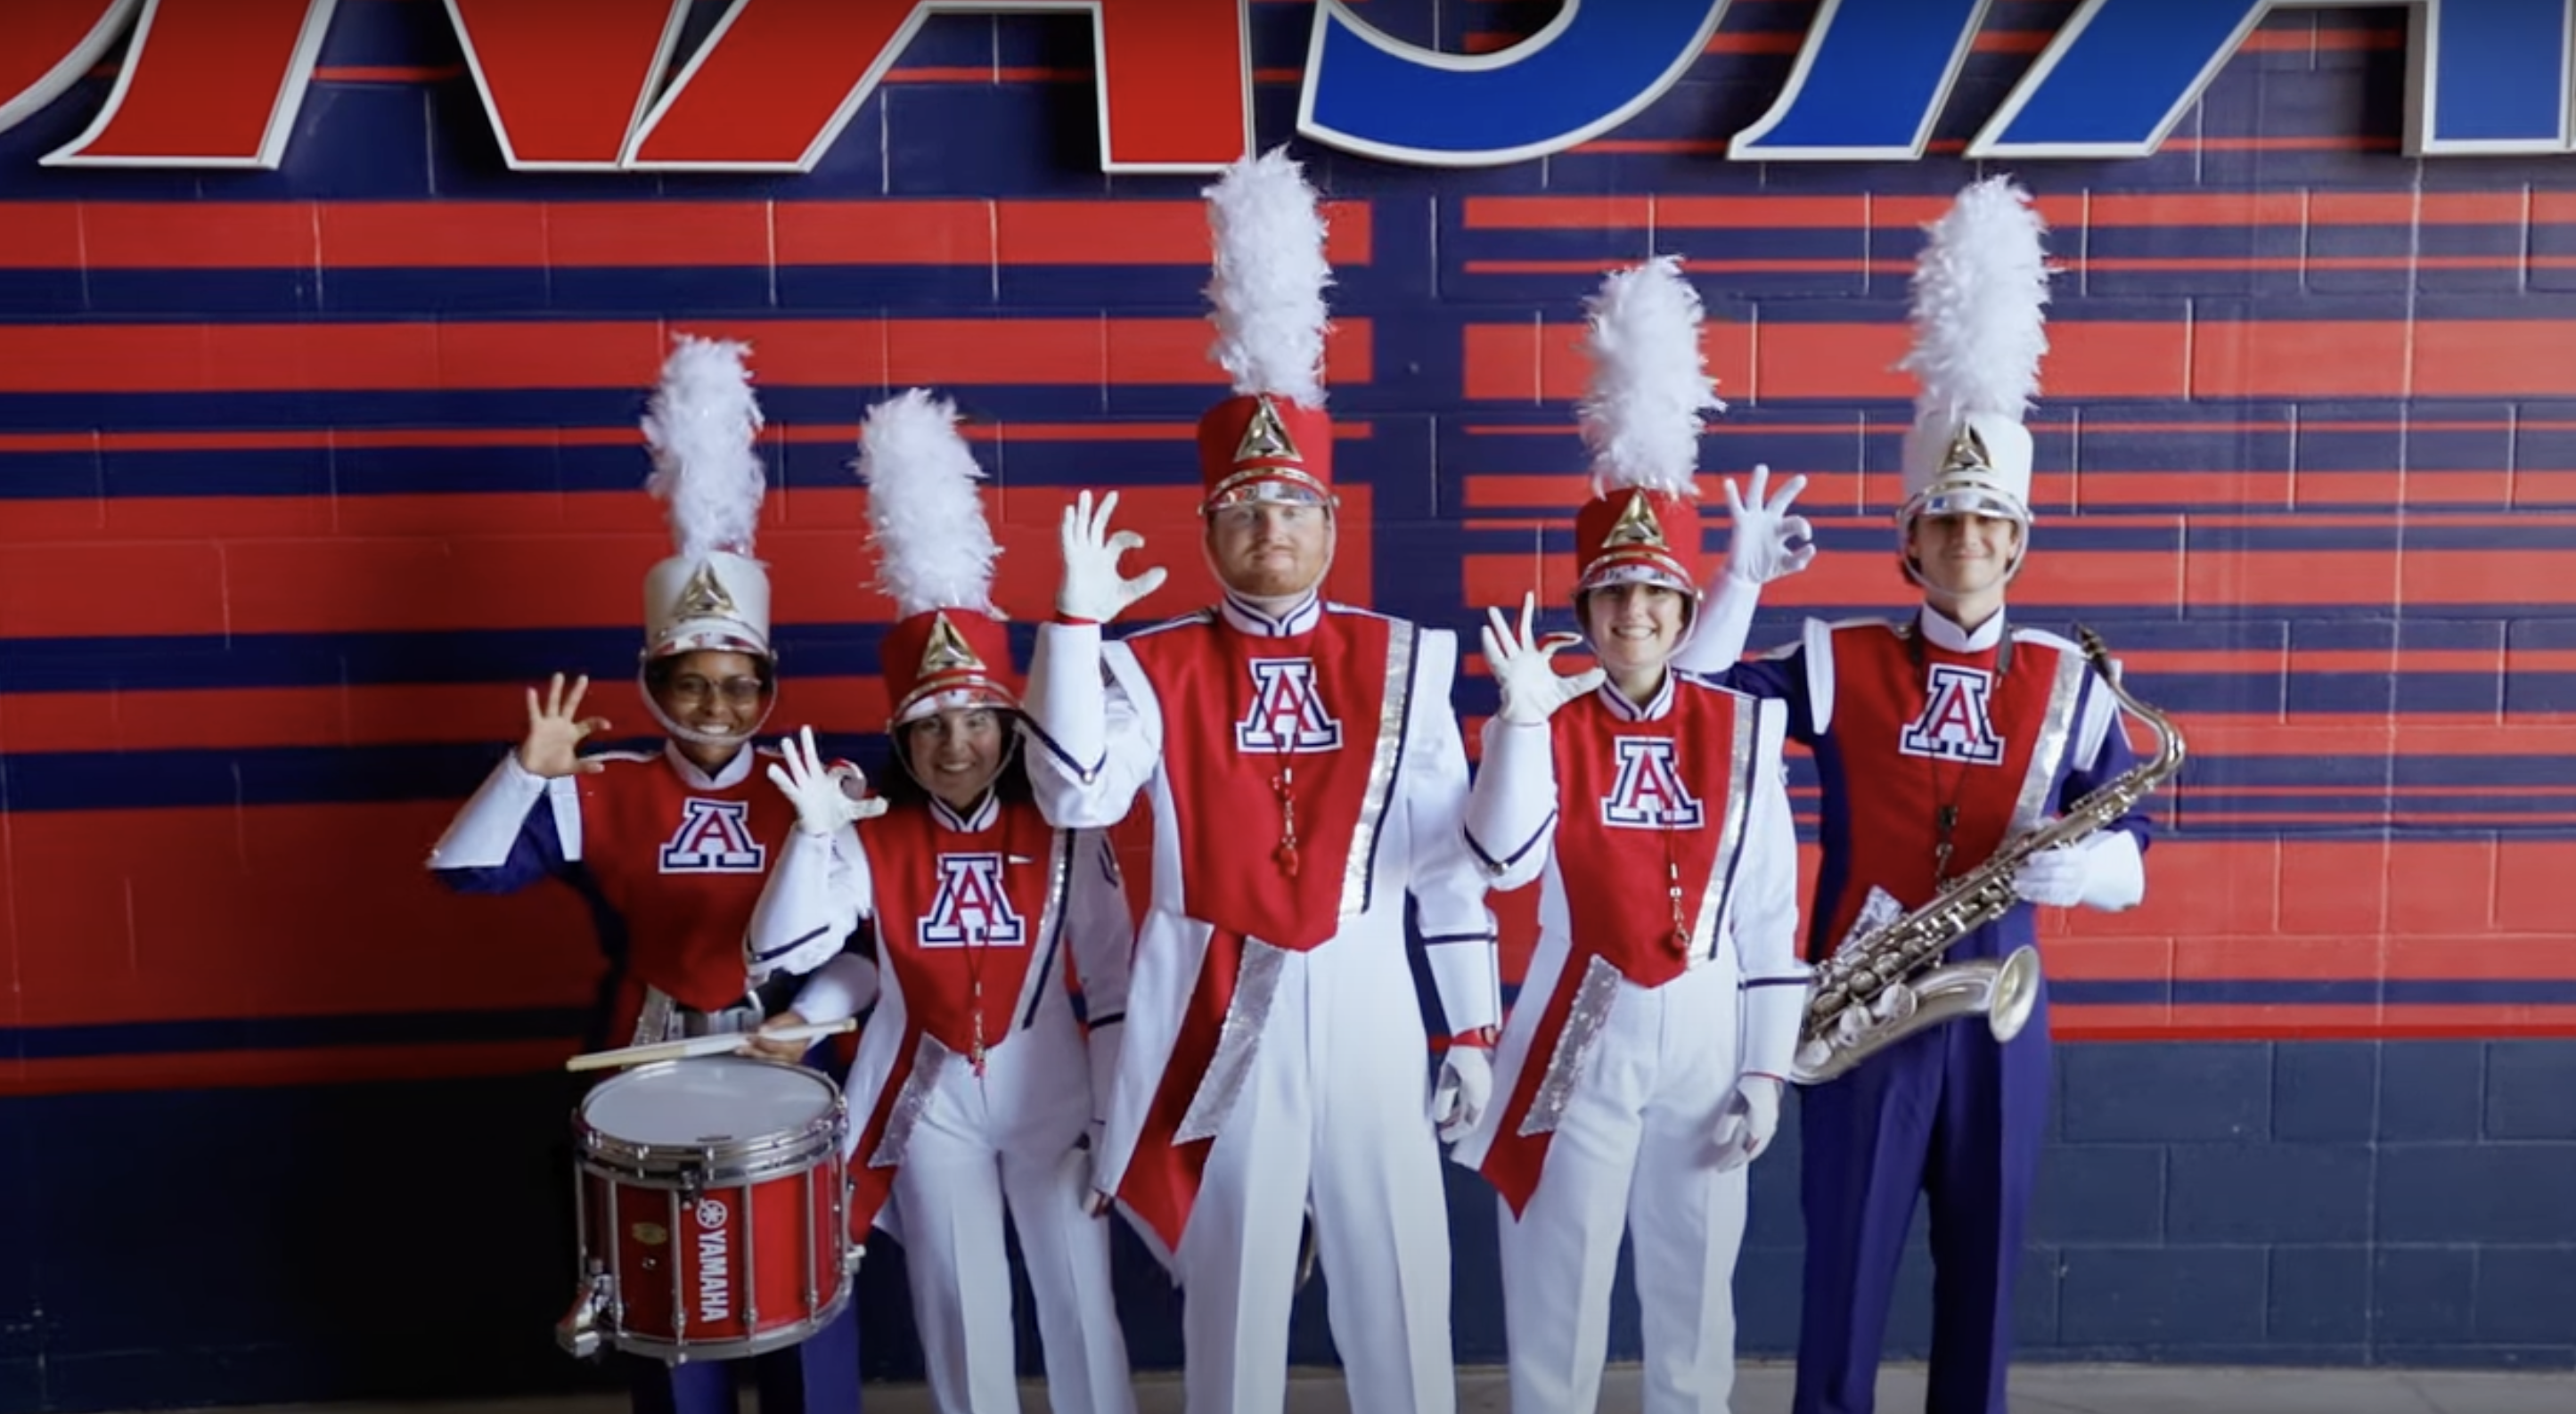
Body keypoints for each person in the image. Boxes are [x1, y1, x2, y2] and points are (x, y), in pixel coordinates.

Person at [1018, 147, 1500, 1414]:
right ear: (1205, 530)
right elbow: (1070, 795)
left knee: (1401, 1283)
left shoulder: (1403, 659)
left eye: (1291, 505)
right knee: (1227, 1305)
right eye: (1241, 509)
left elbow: (1449, 865)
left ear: (1332, 523)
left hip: (1361, 992)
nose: (1268, 529)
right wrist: (1068, 629)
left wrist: (1473, 1023)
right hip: (1207, 996)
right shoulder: (1141, 662)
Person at [1672, 176, 2156, 1414]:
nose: (1963, 541)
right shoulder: (1839, 656)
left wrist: (2086, 872)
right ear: (1908, 537)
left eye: (1985, 523)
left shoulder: (2070, 677)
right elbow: (1687, 703)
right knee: (1841, 1272)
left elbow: (2134, 841)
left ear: (2016, 542)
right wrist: (1729, 581)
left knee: (1981, 1275)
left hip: (1997, 1014)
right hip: (1853, 1011)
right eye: (1941, 521)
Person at [425, 335, 861, 1414]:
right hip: (641, 1052)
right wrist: (523, 773)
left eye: (739, 685)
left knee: (802, 1294)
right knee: (665, 1295)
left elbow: (868, 953)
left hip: (787, 1054)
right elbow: (464, 875)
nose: (716, 707)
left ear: (770, 685)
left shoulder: (818, 778)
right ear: (651, 678)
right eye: (691, 682)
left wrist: (810, 1015)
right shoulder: (604, 785)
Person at [1450, 256, 1816, 1414]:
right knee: (1555, 1291)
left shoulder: (1740, 726)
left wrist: (1766, 1066)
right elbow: (1498, 859)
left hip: (1706, 1030)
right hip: (1573, 1030)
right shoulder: (1544, 718)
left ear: (1677, 606)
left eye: (1655, 597)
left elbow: (1767, 918)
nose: (1635, 615)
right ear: (1585, 612)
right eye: (1612, 599)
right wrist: (1513, 727)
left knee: (1693, 1288)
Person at [744, 388, 1137, 1414]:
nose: (954, 746)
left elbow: (1112, 973)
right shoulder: (868, 828)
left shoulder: (1063, 824)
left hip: (1053, 1091)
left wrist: (1115, 1106)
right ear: (901, 742)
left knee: (1077, 1301)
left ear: (1010, 729)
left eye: (975, 722)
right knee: (959, 1309)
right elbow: (790, 946)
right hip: (925, 1101)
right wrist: (810, 837)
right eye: (929, 728)